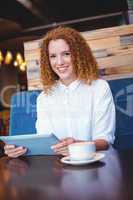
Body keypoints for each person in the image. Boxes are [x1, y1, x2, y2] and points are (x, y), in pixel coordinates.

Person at [4, 26, 115, 158]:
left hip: (97, 164)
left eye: (66, 54)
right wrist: (19, 150)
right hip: (59, 169)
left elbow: (105, 141)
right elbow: (44, 141)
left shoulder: (99, 88)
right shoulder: (44, 97)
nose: (59, 62)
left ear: (79, 55)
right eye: (53, 56)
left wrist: (77, 146)